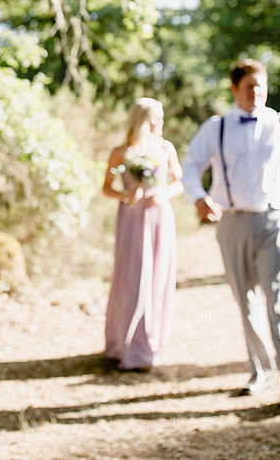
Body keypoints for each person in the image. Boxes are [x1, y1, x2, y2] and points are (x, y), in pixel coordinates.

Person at [182, 59, 280, 407]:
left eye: (261, 85)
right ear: (235, 89)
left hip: (275, 221)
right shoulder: (216, 127)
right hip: (232, 223)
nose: (257, 92)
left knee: (278, 298)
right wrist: (199, 197)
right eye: (249, 86)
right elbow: (190, 165)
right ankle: (259, 371)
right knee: (246, 302)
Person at [102, 98, 183, 371]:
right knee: (131, 279)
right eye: (154, 119)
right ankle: (121, 345)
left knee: (157, 277)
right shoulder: (121, 152)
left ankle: (148, 346)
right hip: (131, 220)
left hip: (159, 218)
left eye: (161, 118)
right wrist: (124, 195)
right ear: (140, 121)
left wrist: (163, 193)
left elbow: (178, 182)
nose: (159, 123)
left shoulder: (165, 148)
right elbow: (105, 188)